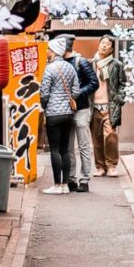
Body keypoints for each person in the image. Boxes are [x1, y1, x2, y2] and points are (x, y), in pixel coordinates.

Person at [39, 36, 80, 195]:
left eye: (49, 49)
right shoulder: (70, 68)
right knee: (65, 150)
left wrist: (44, 105)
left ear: (54, 51)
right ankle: (65, 185)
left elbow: (44, 93)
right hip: (68, 115)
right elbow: (76, 92)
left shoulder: (50, 68)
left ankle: (56, 185)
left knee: (55, 150)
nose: (47, 52)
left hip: (54, 115)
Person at [64, 34, 99, 193]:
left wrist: (77, 93)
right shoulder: (58, 63)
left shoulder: (81, 61)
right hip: (65, 109)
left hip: (82, 109)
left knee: (83, 145)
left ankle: (84, 179)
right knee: (69, 146)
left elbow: (94, 83)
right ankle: (71, 178)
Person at [91, 35, 126, 177]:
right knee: (96, 138)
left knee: (110, 136)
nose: (104, 45)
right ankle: (100, 167)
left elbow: (123, 83)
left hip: (110, 106)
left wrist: (119, 99)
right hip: (93, 107)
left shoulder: (116, 64)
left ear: (112, 48)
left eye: (107, 44)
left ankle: (111, 165)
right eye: (102, 43)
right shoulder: (91, 63)